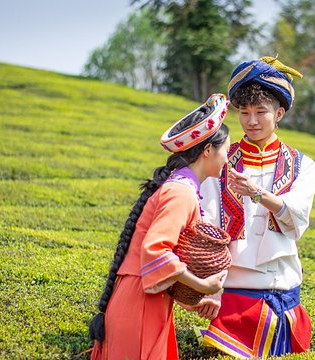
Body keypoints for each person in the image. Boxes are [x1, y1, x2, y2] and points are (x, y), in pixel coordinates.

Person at [88, 93, 231, 360]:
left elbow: (162, 264)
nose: (228, 158)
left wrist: (194, 299)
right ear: (208, 150)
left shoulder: (184, 188)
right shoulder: (180, 192)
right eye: (226, 150)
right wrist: (203, 284)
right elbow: (155, 252)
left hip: (148, 300)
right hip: (140, 303)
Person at [199, 56, 315, 357]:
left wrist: (257, 193)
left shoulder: (302, 165)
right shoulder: (221, 161)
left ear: (279, 113)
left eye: (260, 112)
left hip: (286, 293)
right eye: (244, 112)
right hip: (235, 296)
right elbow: (207, 221)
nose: (251, 121)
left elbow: (297, 217)